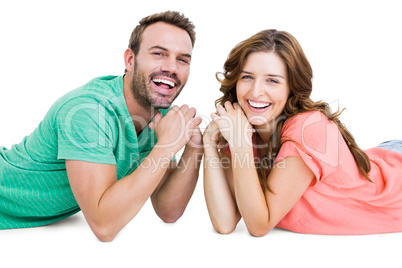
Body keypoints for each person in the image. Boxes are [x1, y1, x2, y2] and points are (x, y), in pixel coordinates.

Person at [0, 11, 203, 242]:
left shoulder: (159, 118)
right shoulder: (88, 111)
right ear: (130, 60)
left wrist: (194, 149)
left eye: (182, 59)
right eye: (159, 53)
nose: (172, 67)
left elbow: (168, 210)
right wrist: (166, 147)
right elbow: (104, 225)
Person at [202, 29, 402, 237]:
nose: (255, 91)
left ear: (292, 88)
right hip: (380, 157)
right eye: (247, 77)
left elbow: (259, 225)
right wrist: (209, 145)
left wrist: (240, 145)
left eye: (272, 80)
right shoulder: (241, 129)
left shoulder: (309, 128)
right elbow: (225, 221)